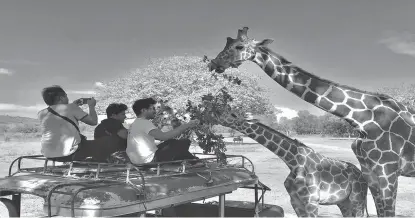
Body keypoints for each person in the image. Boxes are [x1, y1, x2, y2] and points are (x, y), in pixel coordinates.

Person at [38, 85, 125, 162]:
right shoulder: (71, 107)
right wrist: (91, 106)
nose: (68, 99)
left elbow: (62, 114)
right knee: (109, 140)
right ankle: (108, 161)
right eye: (66, 96)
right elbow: (93, 122)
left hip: (48, 154)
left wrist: (74, 105)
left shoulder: (41, 113)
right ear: (61, 98)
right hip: (70, 153)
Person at [126, 97, 200, 165]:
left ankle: (188, 161)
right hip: (148, 160)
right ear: (143, 110)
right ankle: (194, 162)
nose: (155, 111)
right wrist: (187, 125)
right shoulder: (144, 123)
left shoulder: (135, 123)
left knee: (172, 142)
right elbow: (164, 137)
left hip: (137, 160)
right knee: (183, 142)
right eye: (152, 109)